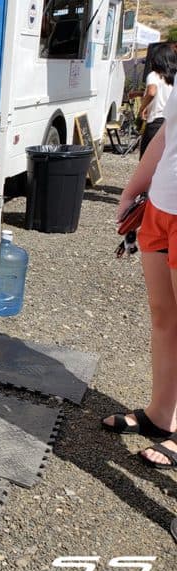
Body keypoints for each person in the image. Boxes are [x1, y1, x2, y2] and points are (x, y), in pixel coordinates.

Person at [102, 87, 177, 468]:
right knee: (163, 316)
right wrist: (133, 187)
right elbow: (168, 132)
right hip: (162, 207)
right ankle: (162, 413)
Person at [138, 44, 176, 159]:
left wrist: (142, 108)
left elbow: (152, 92)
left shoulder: (154, 75)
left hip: (156, 122)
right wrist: (139, 93)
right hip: (170, 123)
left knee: (146, 158)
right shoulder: (173, 77)